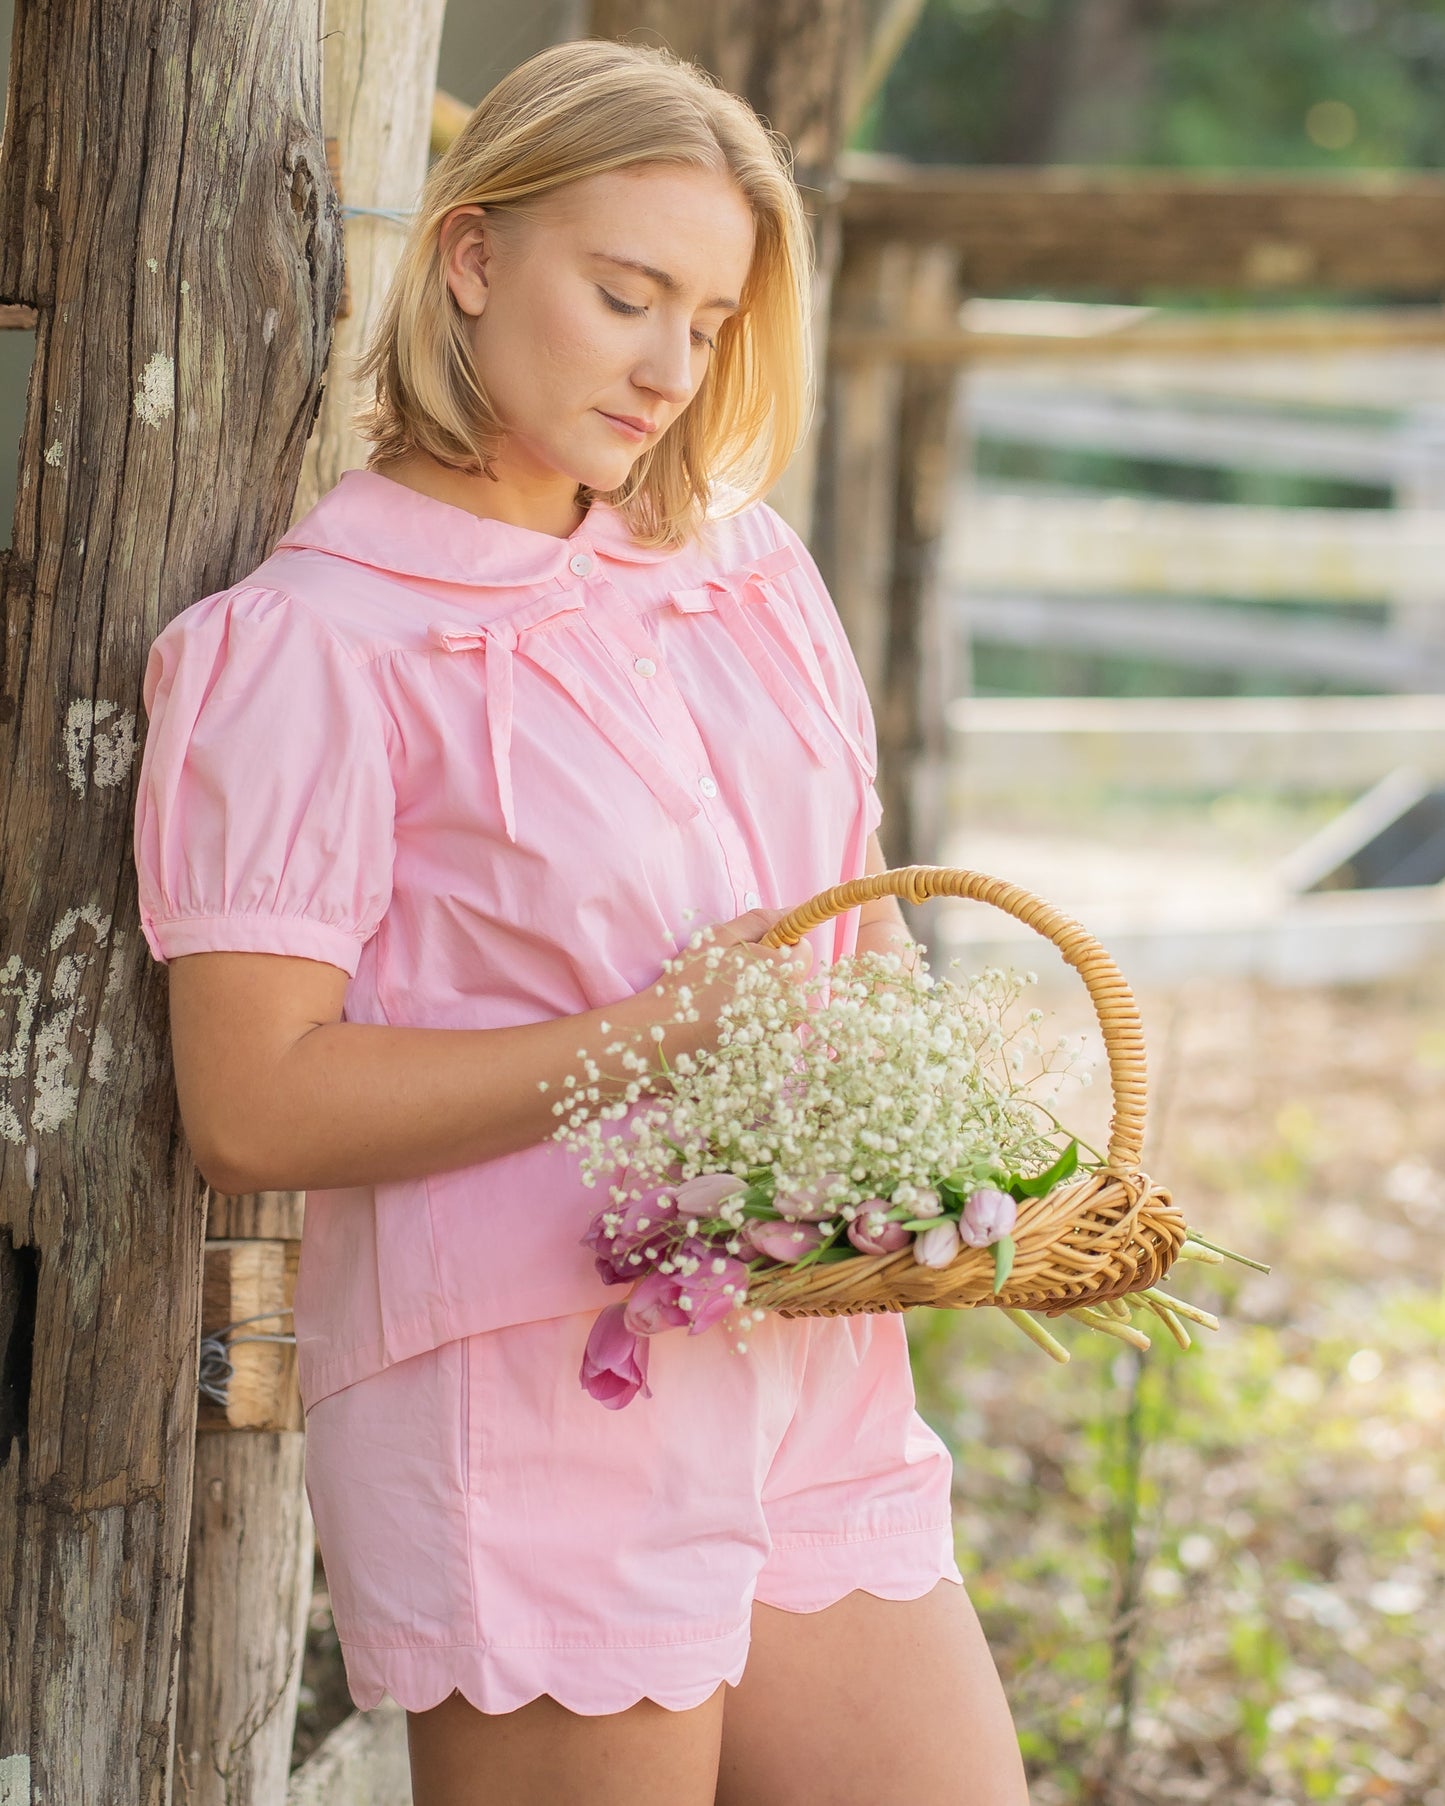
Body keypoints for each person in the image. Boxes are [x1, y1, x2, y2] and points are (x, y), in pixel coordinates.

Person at [132, 37, 1030, 1806]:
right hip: (527, 1405)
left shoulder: (745, 573)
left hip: (805, 1357)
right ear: (469, 258)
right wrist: (653, 1043)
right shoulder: (311, 646)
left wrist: (938, 1142)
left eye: (706, 319)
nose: (669, 367)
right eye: (626, 297)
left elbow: (855, 931)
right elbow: (252, 1102)